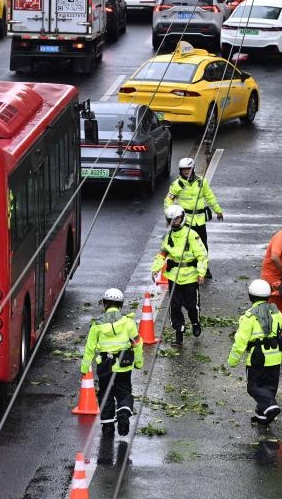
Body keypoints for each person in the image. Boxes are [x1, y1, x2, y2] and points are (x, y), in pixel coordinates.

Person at [80, 288, 144, 436]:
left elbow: (89, 348)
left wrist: (84, 368)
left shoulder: (97, 325)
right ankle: (123, 413)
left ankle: (108, 426)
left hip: (105, 366)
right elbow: (137, 344)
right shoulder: (128, 322)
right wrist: (138, 362)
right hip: (124, 365)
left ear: (104, 304)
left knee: (105, 393)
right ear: (121, 305)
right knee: (124, 391)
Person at [227, 278, 282, 425]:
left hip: (258, 359)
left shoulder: (249, 316)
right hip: (275, 357)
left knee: (253, 387)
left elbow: (240, 341)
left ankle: (271, 406)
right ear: (268, 296)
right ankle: (262, 417)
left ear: (251, 296)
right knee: (269, 387)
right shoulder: (277, 313)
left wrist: (232, 360)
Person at [151, 205, 208, 345]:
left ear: (182, 218)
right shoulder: (168, 236)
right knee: (175, 307)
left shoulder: (192, 235)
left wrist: (201, 273)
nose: (174, 222)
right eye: (171, 219)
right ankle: (179, 332)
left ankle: (195, 322)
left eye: (177, 219)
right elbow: (162, 254)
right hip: (174, 277)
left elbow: (202, 255)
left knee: (191, 305)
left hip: (190, 277)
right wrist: (156, 269)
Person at [164, 157, 223, 278]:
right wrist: (169, 217)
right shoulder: (177, 184)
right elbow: (168, 201)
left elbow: (210, 197)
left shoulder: (201, 182)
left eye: (189, 169)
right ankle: (188, 268)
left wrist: (218, 210)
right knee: (186, 246)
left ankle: (204, 269)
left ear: (193, 169)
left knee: (203, 245)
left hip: (199, 220)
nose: (186, 171)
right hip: (185, 220)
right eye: (184, 169)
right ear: (180, 170)